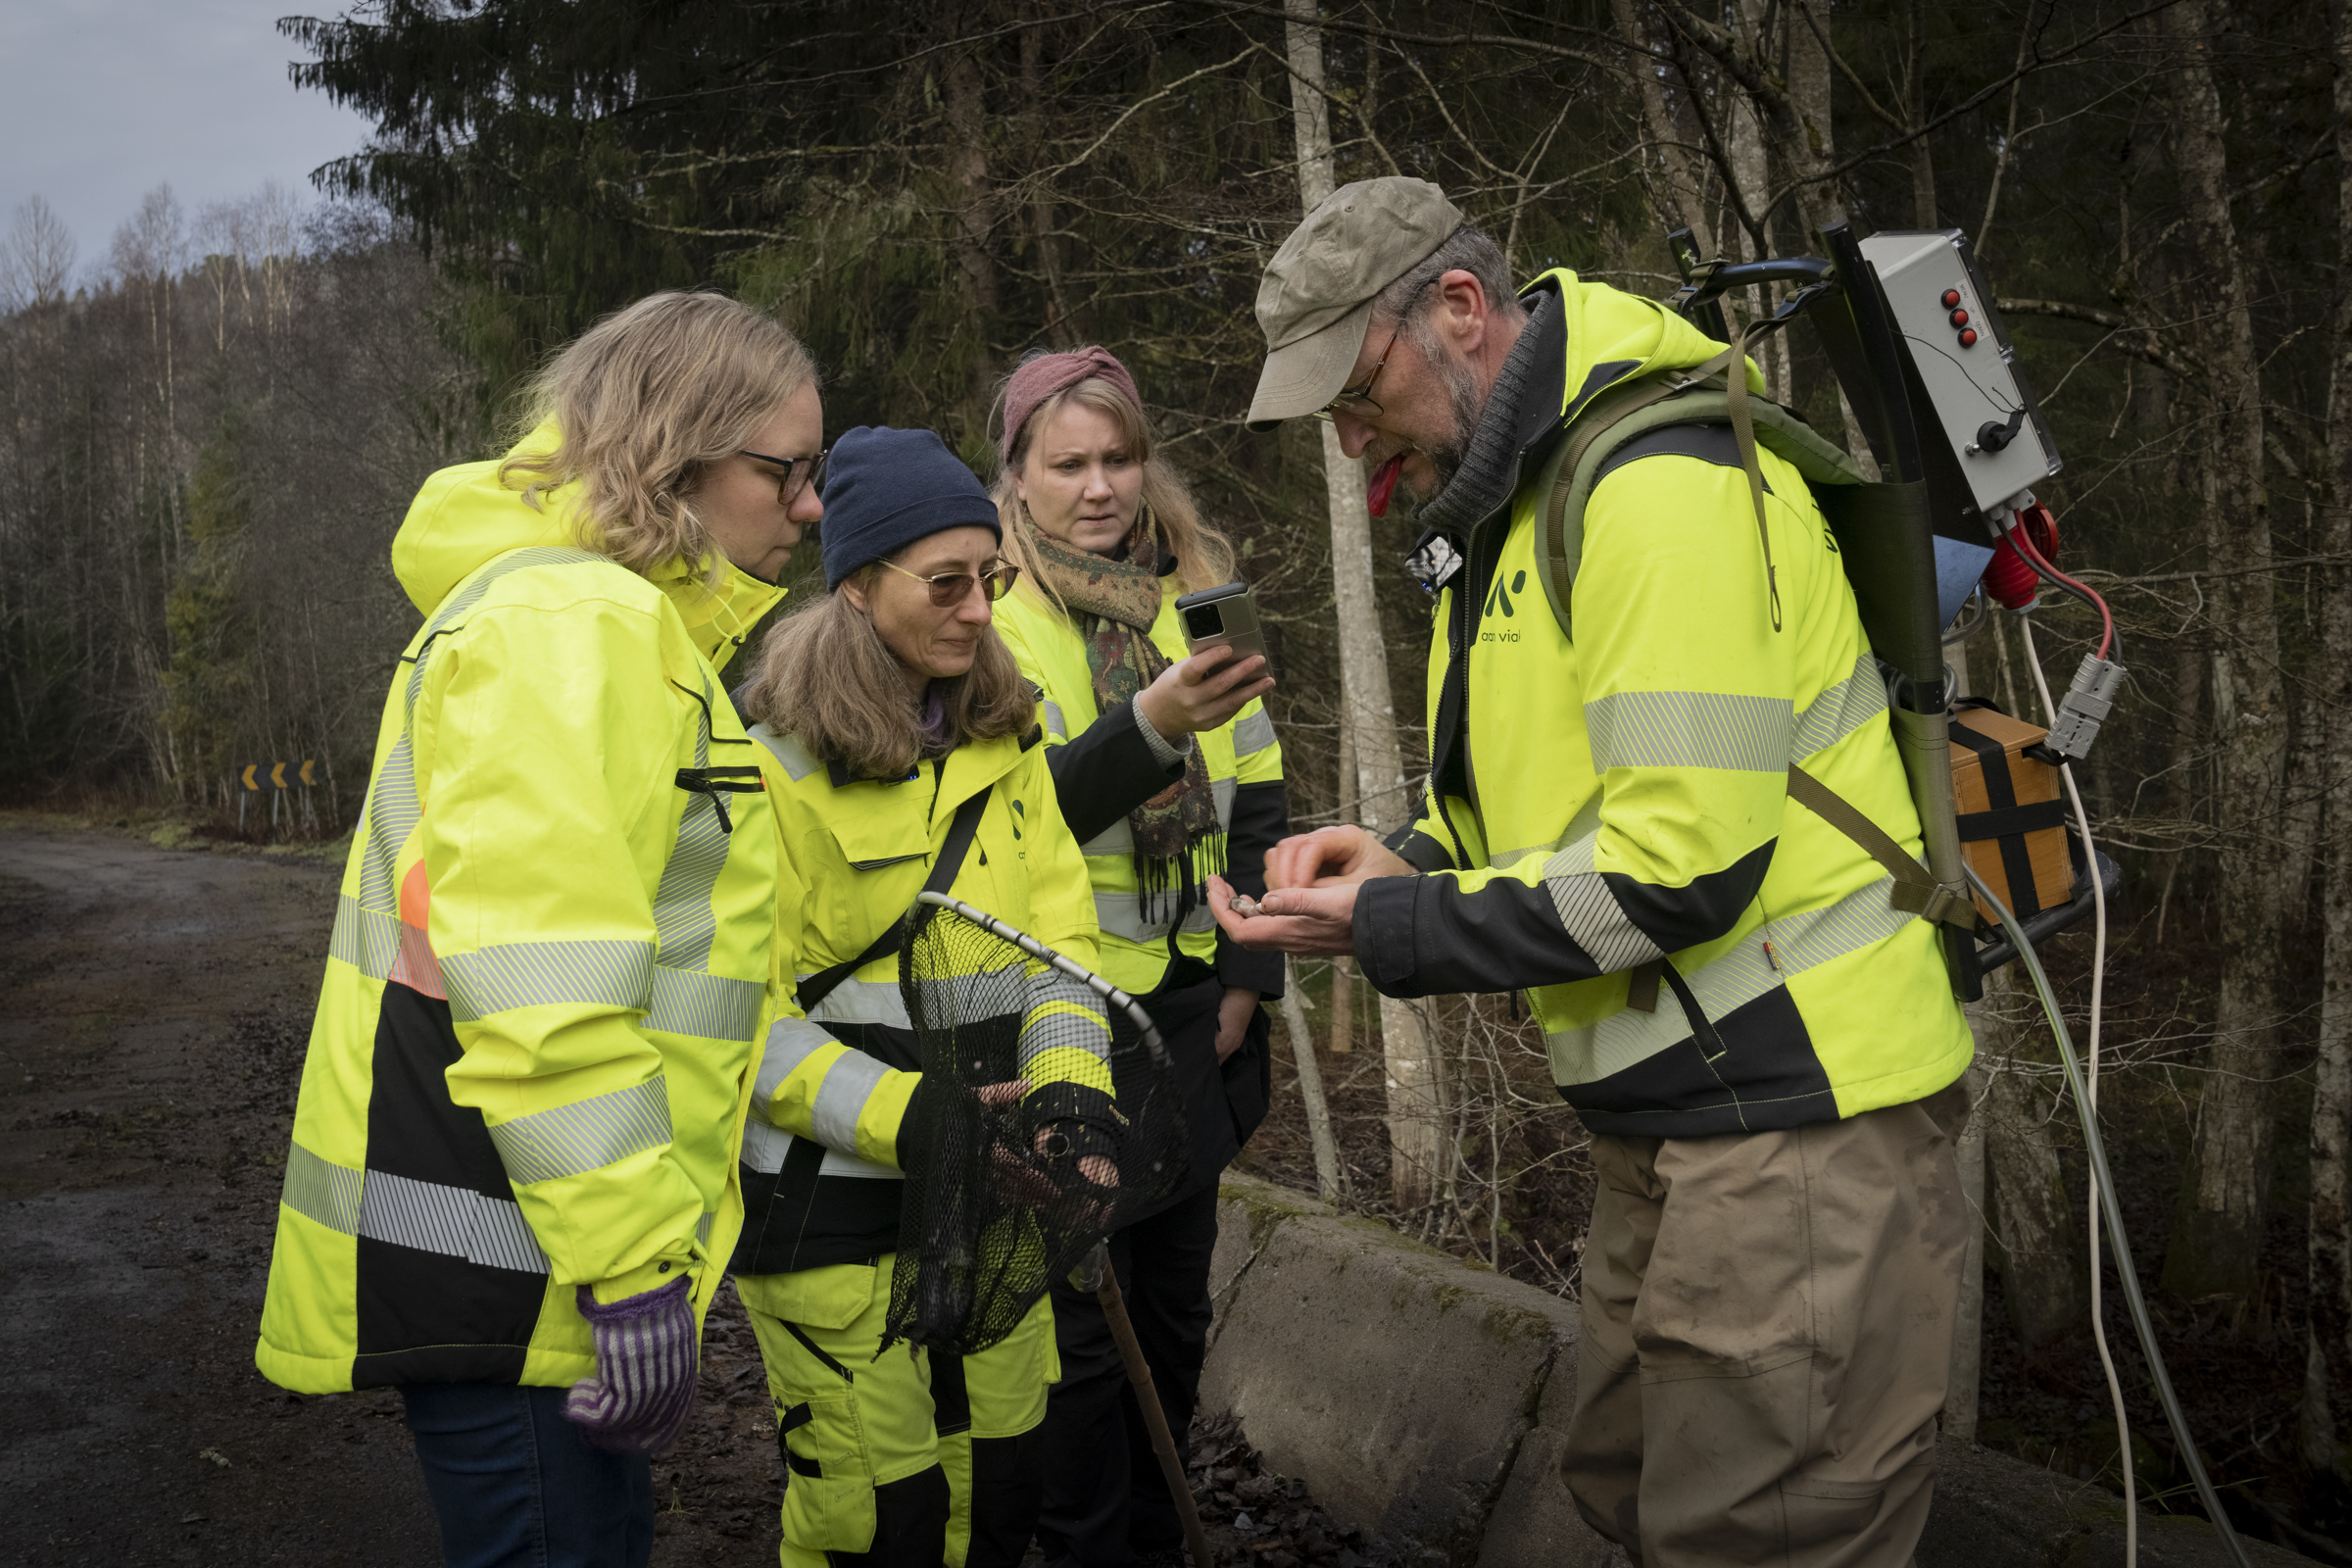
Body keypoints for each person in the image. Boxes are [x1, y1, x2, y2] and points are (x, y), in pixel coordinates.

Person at [1212, 176, 1975, 1568]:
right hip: (1681, 1116)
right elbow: (1557, 809)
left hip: (1793, 1116)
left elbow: (1683, 870)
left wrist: (1400, 922)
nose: (1341, 431)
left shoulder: (1656, 489)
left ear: (1459, 309)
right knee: (1632, 1500)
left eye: (1352, 385)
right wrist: (1409, 860)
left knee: (1757, 1537)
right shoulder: (1513, 509)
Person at [255, 291, 823, 1568]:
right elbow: (541, 979)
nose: (809, 507)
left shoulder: (610, 628)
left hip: (538, 1258)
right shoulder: (576, 626)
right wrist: (627, 1272)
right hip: (528, 1275)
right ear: (675, 455)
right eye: (787, 470)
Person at [729, 424, 1111, 1568]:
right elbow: (739, 1023)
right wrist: (919, 1125)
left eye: (991, 579)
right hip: (835, 1218)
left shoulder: (1009, 733)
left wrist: (1073, 1099)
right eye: (946, 583)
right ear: (855, 583)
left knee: (1000, 1497)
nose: (981, 610)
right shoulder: (768, 766)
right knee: (877, 1526)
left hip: (1000, 1200)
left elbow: (1063, 949)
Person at [985, 346, 1288, 1568]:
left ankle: (1160, 1540)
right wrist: (1153, 726)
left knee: (1172, 1312)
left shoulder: (1195, 600)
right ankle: (1086, 1544)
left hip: (1189, 1016)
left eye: (1119, 459)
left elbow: (1261, 796)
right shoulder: (988, 621)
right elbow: (1017, 821)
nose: (1100, 487)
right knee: (1079, 1343)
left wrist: (1247, 984)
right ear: (1016, 475)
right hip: (1060, 1021)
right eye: (1068, 464)